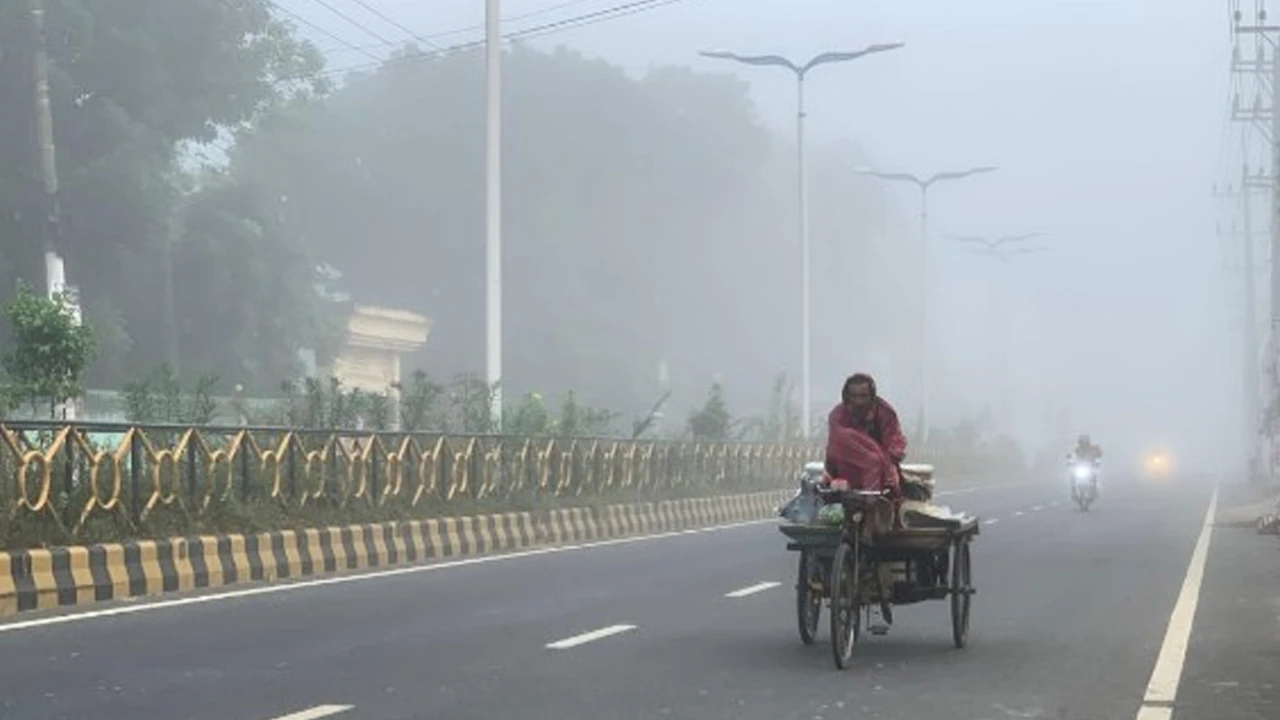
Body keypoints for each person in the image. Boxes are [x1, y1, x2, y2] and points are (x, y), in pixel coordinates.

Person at [824, 373, 908, 495]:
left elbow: (894, 443)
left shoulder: (884, 413)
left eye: (863, 396)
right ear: (846, 397)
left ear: (872, 396)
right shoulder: (837, 416)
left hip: (882, 474)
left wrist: (888, 466)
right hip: (846, 472)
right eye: (854, 396)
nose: (858, 402)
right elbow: (834, 449)